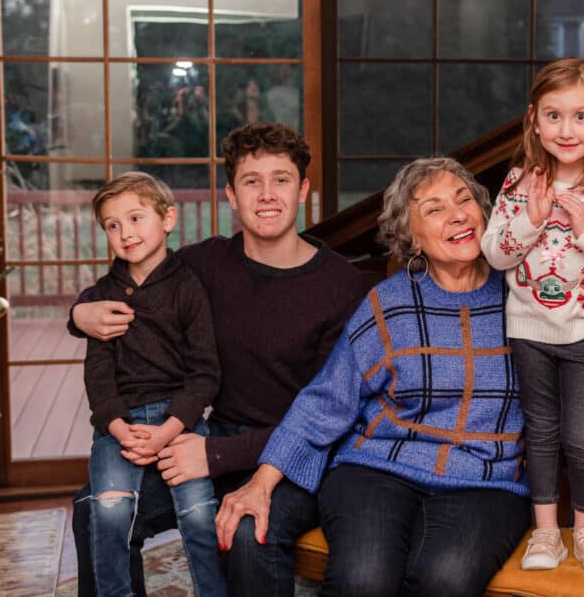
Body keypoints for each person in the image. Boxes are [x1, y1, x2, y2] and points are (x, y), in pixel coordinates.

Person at [70, 123, 370, 596]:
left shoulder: (341, 287)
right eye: (252, 181)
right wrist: (79, 312)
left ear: (304, 189)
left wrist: (213, 455)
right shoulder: (202, 265)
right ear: (232, 194)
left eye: (281, 179)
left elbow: (335, 415)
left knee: (250, 533)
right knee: (95, 507)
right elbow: (132, 275)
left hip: (298, 454)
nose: (267, 194)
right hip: (213, 436)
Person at [214, 157, 531, 597]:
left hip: (485, 479)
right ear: (409, 235)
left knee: (445, 580)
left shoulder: (526, 295)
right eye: (434, 209)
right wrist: (261, 482)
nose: (458, 214)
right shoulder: (389, 302)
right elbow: (328, 399)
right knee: (363, 581)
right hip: (378, 467)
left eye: (465, 201)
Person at [480, 58, 584, 574]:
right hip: (529, 331)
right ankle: (547, 534)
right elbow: (495, 254)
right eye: (553, 116)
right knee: (541, 433)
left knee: (583, 435)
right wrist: (531, 221)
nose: (566, 129)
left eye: (581, 116)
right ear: (534, 119)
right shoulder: (518, 182)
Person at [81, 172, 225, 597]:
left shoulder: (187, 289)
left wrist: (169, 429)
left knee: (199, 516)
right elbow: (98, 373)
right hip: (119, 425)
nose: (125, 233)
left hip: (178, 421)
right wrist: (117, 426)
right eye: (112, 225)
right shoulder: (103, 297)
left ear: (168, 219)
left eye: (135, 218)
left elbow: (205, 373)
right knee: (107, 513)